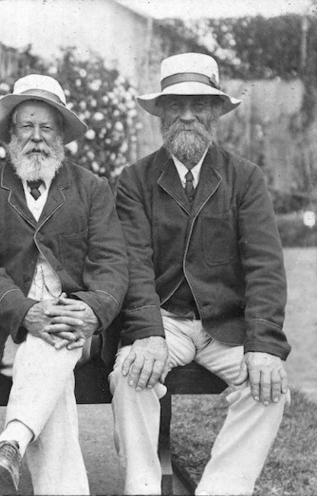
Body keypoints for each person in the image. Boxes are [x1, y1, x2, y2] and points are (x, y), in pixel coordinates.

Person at [110, 52, 291, 495]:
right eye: (176, 105)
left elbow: (265, 265)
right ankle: (143, 488)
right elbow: (131, 263)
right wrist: (147, 332)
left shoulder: (245, 178)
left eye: (199, 105)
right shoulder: (134, 180)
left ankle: (222, 489)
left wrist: (263, 344)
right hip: (163, 322)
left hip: (223, 326)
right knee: (130, 374)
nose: (187, 115)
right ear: (162, 115)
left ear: (215, 112)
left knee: (270, 388)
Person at [0, 74, 129, 495]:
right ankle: (28, 454)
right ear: (10, 135)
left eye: (46, 127)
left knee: (54, 338)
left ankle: (12, 440)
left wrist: (92, 309)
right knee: (54, 375)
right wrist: (25, 312)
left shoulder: (92, 189)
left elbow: (112, 263)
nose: (36, 137)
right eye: (26, 127)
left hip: (79, 326)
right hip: (9, 332)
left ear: (62, 135)